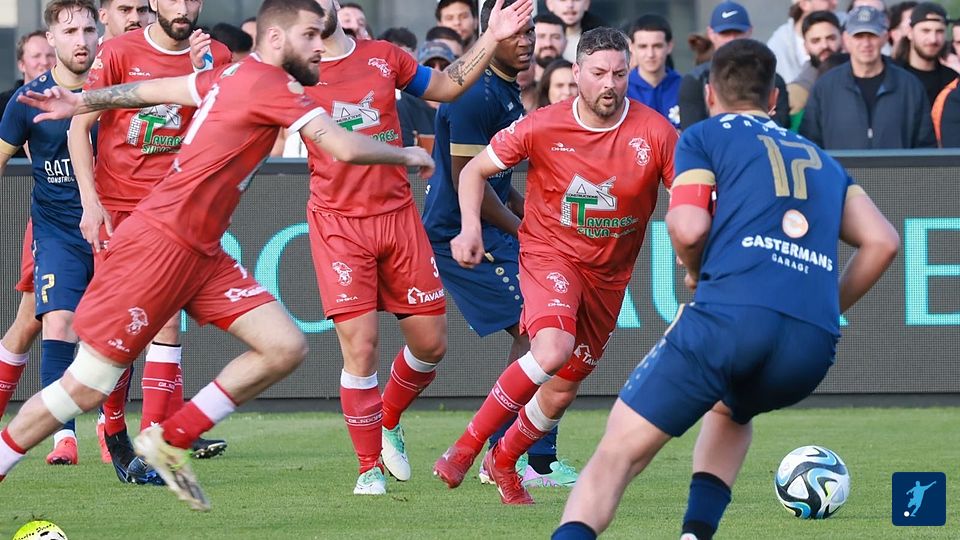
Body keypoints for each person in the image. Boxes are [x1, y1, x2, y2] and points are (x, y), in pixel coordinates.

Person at [3, 0, 435, 512]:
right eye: (309, 36)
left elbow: (154, 90)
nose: (320, 46)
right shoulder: (270, 84)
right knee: (88, 386)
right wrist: (407, 153)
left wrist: (84, 100)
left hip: (203, 253)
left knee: (283, 346)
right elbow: (342, 146)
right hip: (159, 245)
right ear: (276, 40)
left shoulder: (232, 75)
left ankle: (170, 439)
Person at [551, 38, 899, 540]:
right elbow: (883, 242)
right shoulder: (824, 161)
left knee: (617, 453)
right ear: (774, 99)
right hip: (810, 349)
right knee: (731, 409)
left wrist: (695, 272)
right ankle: (696, 533)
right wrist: (825, 305)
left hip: (732, 319)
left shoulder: (705, 135)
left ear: (710, 94)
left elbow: (687, 226)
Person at [433, 27, 677, 505]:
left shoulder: (656, 132)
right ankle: (464, 448)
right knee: (552, 349)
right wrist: (470, 228)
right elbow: (474, 170)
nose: (610, 83)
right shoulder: (542, 124)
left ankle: (504, 461)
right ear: (577, 72)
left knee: (561, 390)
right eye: (599, 73)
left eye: (619, 74)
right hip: (550, 254)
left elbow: (689, 195)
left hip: (609, 275)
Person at [300, 0, 533, 496]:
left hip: (398, 218)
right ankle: (368, 469)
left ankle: (387, 420)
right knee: (362, 347)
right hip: (339, 224)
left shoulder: (383, 56)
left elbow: (446, 87)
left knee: (431, 345)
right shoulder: (294, 74)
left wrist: (492, 35)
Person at [68, 0, 232, 483]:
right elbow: (79, 126)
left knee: (167, 322)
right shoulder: (119, 52)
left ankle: (154, 442)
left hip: (175, 212)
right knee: (120, 334)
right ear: (154, 4)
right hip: (118, 210)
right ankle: (114, 429)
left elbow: (222, 127)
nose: (183, 7)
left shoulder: (216, 54)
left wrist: (205, 73)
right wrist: (90, 202)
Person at [422, 6, 579, 490]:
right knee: (538, 333)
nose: (526, 40)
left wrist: (534, 221)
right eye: (515, 32)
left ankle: (526, 456)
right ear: (491, 32)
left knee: (543, 333)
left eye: (530, 31)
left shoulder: (505, 89)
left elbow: (498, 179)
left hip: (492, 229)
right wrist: (526, 230)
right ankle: (510, 456)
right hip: (461, 233)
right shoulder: (475, 94)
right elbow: (467, 180)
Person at [0, 0, 98, 467]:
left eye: (88, 30)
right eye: (70, 31)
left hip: (114, 228)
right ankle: (64, 436)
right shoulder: (27, 101)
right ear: (51, 39)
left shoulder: (118, 91)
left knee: (119, 333)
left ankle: (114, 431)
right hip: (57, 231)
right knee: (56, 323)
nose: (81, 40)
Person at [800, 5, 936, 148]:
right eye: (858, 36)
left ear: (884, 37)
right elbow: (810, 144)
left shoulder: (909, 86)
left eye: (872, 35)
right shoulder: (825, 87)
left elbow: (926, 146)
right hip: (838, 164)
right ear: (846, 39)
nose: (866, 43)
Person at [679, 1, 790, 130]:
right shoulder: (695, 81)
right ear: (711, 34)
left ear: (750, 31)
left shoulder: (772, 79)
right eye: (725, 33)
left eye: (738, 32)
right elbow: (693, 131)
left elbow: (779, 128)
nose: (732, 39)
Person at [893, 2, 958, 106]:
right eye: (925, 31)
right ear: (910, 32)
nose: (933, 39)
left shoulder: (952, 81)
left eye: (939, 31)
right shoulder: (891, 75)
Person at [787, 10, 842, 130]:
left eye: (831, 38)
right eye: (816, 41)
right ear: (805, 47)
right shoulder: (796, 95)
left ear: (843, 38)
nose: (825, 45)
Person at [627, 14, 682, 129]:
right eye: (643, 46)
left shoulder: (685, 87)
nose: (650, 54)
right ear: (631, 47)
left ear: (669, 46)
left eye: (657, 46)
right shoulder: (622, 90)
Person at [766, 0, 837, 83]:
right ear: (804, 4)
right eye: (826, 0)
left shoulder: (844, 26)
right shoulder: (778, 46)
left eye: (831, 38)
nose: (835, 3)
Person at [532, 12, 566, 83]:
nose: (548, 44)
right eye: (541, 36)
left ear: (566, 42)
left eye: (555, 37)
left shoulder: (577, 80)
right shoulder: (519, 81)